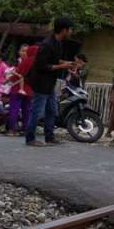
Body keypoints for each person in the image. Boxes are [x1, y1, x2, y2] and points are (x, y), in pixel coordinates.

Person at [25, 17, 76, 147]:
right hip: (41, 82)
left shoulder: (58, 43)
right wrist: (62, 66)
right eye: (69, 29)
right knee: (37, 112)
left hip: (50, 83)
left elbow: (54, 59)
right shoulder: (46, 44)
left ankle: (49, 137)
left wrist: (67, 63)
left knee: (52, 110)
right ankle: (30, 138)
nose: (71, 32)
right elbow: (42, 66)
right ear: (63, 30)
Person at [6, 44, 34, 135]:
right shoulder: (18, 63)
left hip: (24, 89)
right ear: (19, 52)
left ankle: (22, 129)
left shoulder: (24, 63)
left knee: (25, 110)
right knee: (16, 110)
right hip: (20, 88)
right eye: (22, 50)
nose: (24, 53)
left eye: (26, 51)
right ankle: (14, 129)